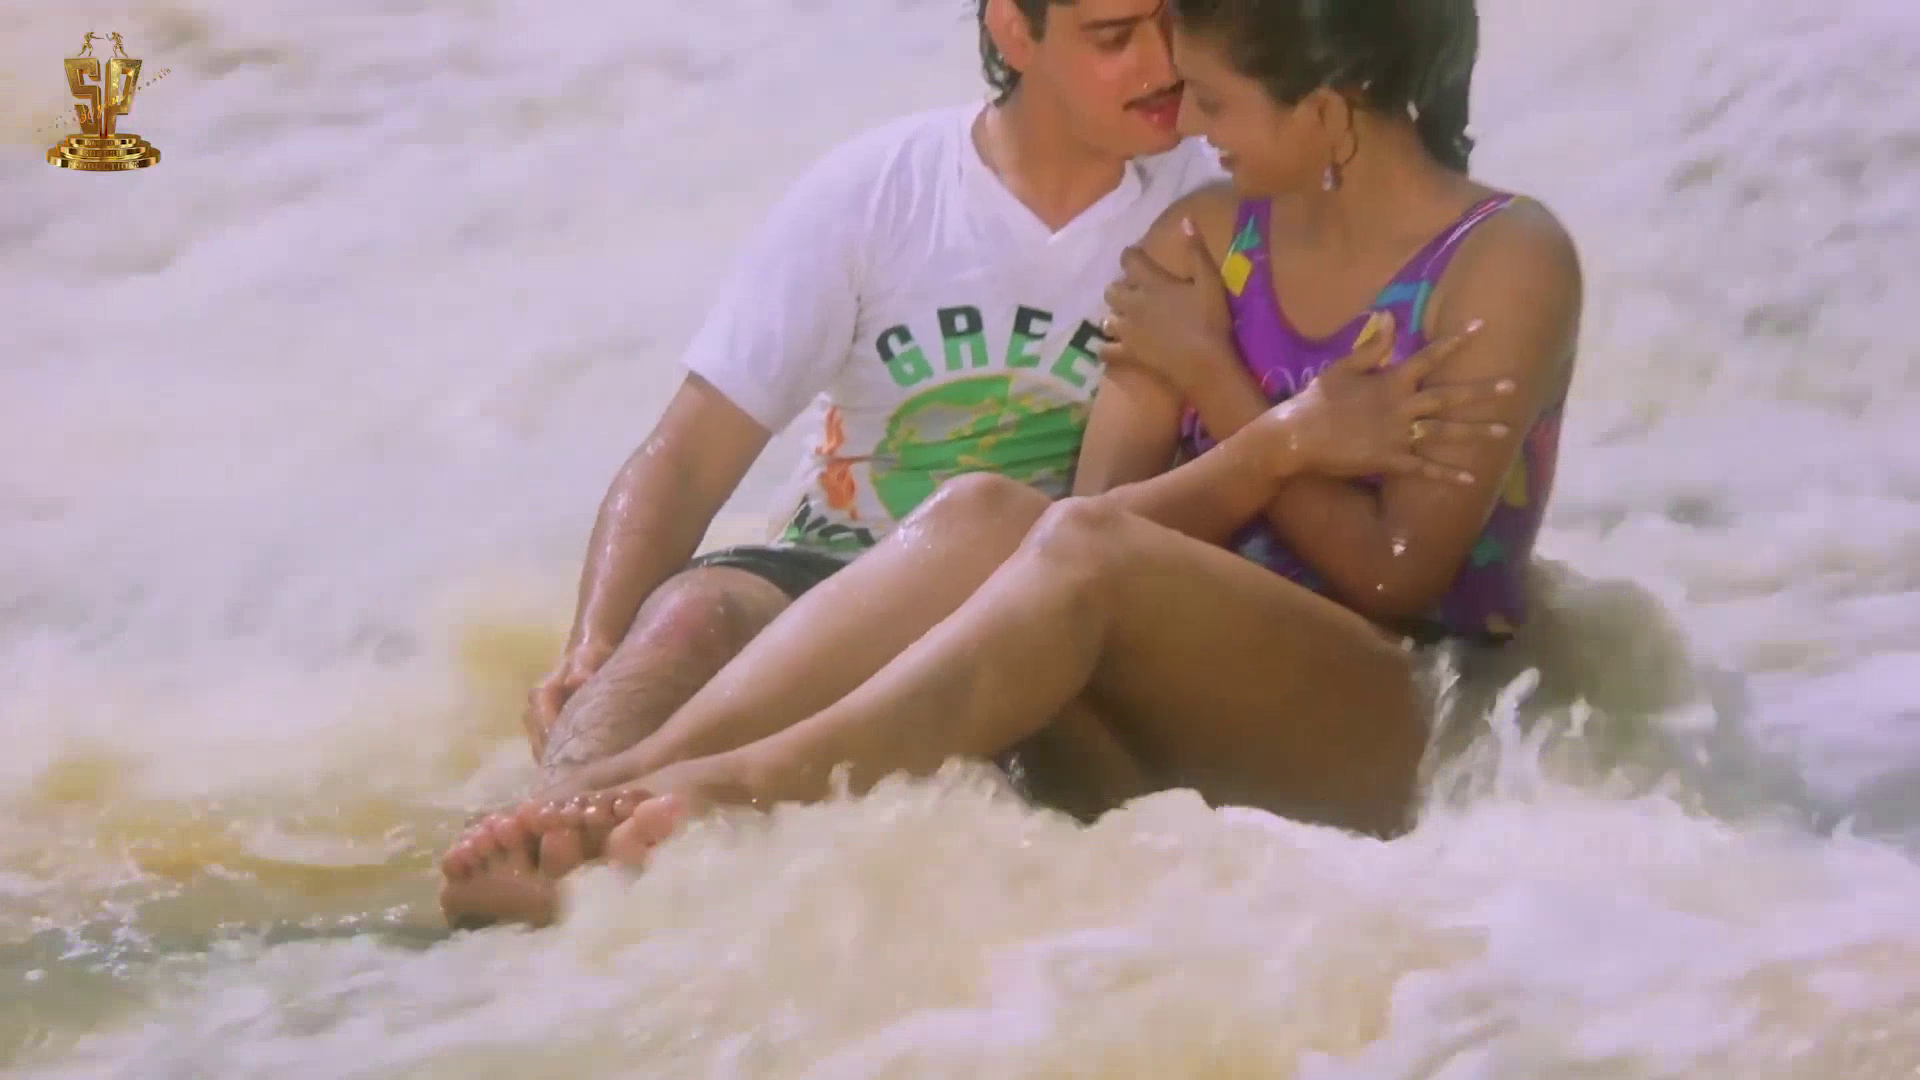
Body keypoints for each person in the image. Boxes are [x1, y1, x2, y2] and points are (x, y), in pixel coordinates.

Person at [436, 0, 1583, 928]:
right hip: (1163, 704)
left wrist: (1226, 388)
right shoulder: (1204, 234)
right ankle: (614, 788)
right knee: (993, 511)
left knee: (1065, 543)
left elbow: (1399, 576)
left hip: (1384, 710)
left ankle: (726, 793)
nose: (1190, 117)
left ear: (1327, 110)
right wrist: (1277, 434)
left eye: (1215, 98)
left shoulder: (1503, 260)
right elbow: (1094, 517)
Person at [513, 1, 1212, 820]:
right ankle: (538, 834)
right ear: (1015, 31)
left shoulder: (1214, 191)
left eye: (1174, 18)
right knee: (684, 623)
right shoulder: (879, 190)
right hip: (836, 575)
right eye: (1115, 36)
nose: (1163, 61)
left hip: (1045, 605)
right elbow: (691, 453)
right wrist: (593, 641)